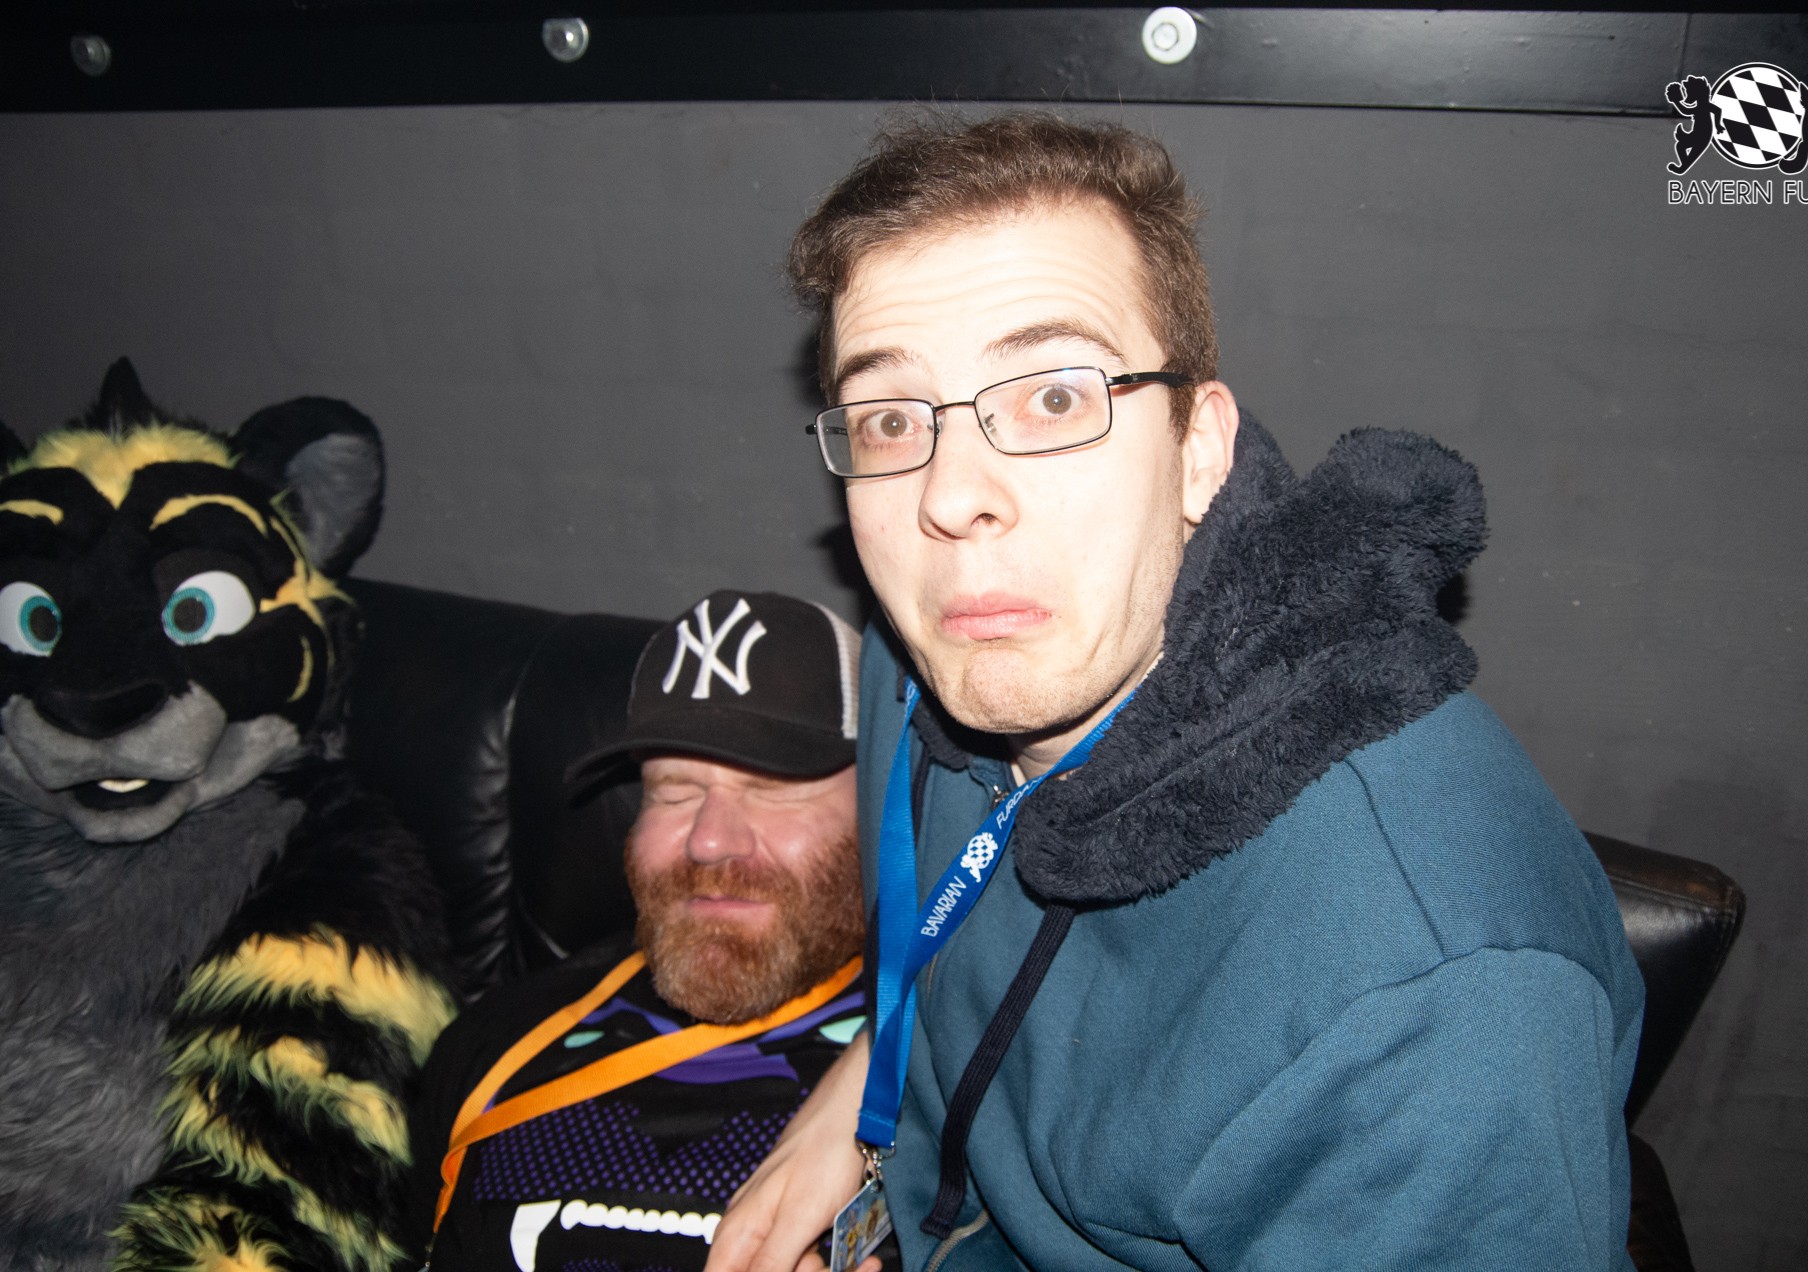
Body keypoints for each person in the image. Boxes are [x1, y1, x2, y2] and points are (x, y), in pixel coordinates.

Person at [709, 113, 1646, 1271]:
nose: (949, 498)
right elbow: (961, 917)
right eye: (893, 418)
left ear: (1200, 448)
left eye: (1054, 398)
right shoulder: (942, 644)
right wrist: (862, 1097)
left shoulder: (1430, 998)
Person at [403, 589, 888, 1272]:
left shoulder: (954, 1069)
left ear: (881, 804)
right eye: (673, 791)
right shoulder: (494, 1046)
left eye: (773, 788)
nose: (709, 842)